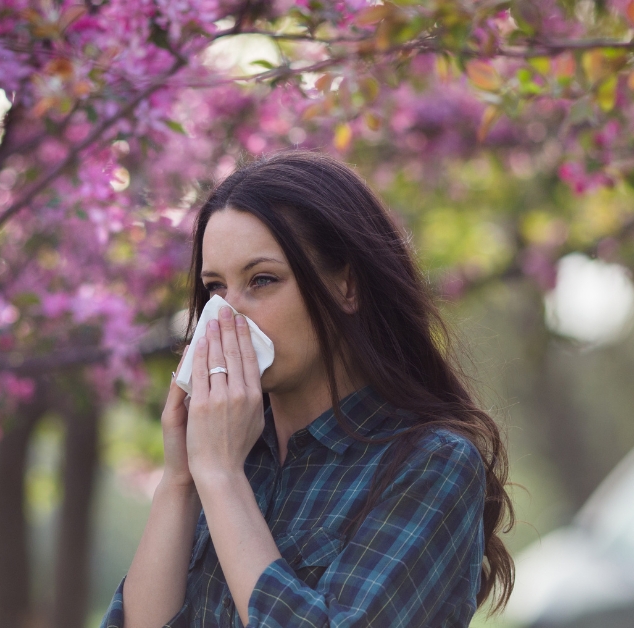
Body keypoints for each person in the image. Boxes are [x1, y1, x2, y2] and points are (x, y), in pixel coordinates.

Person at [100, 151, 514, 627]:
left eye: (262, 280)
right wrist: (180, 480)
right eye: (215, 289)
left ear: (347, 287)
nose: (226, 317)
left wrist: (221, 479)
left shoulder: (430, 464)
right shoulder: (225, 455)